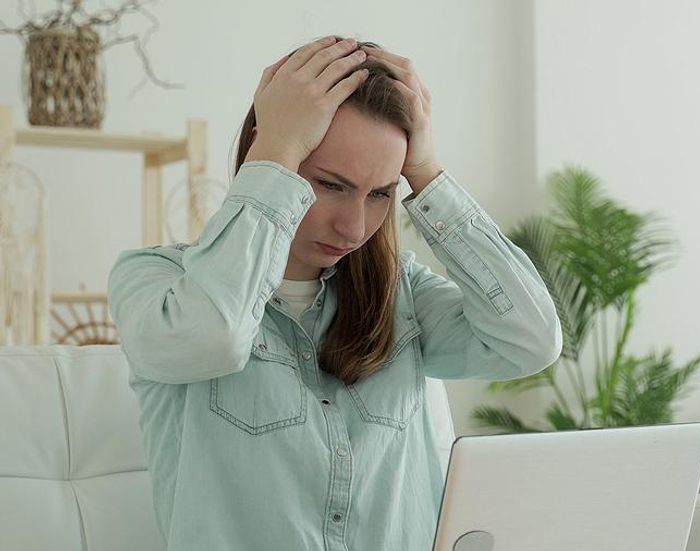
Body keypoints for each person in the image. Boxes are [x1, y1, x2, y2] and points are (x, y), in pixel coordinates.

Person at [107, 34, 562, 550]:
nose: (352, 227)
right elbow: (213, 337)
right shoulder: (156, 284)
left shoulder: (401, 296)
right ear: (273, 151)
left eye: (381, 194)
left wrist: (427, 172)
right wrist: (275, 149)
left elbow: (530, 340)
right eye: (331, 184)